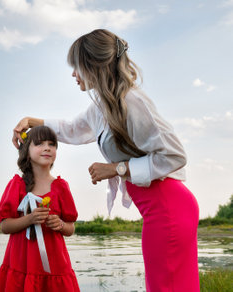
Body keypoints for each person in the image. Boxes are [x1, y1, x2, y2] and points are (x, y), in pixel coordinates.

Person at [12, 29, 200, 292]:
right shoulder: (103, 104)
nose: (73, 74)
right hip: (158, 209)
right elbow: (74, 128)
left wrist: (115, 168)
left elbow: (175, 156)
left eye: (76, 67)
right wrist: (33, 121)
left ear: (92, 65)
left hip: (168, 208)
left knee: (165, 287)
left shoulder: (132, 102)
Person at [0, 125, 80, 292]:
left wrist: (60, 225)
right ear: (27, 150)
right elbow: (5, 226)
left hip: (55, 264)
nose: (47, 148)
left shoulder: (61, 187)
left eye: (52, 144)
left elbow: (70, 228)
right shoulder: (17, 185)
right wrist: (30, 219)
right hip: (22, 263)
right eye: (40, 143)